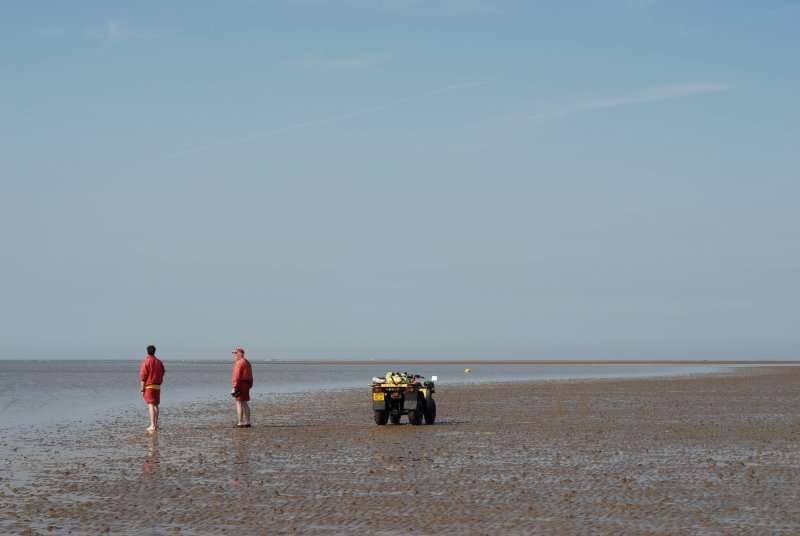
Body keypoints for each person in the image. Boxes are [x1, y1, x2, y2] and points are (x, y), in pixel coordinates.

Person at [140, 345, 166, 432]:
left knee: (150, 404)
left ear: (147, 352)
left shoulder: (146, 362)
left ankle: (152, 425)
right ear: (154, 351)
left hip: (149, 386)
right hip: (157, 386)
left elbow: (143, 376)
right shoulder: (159, 362)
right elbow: (163, 371)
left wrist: (142, 389)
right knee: (156, 405)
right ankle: (156, 424)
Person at [231, 347, 254, 428]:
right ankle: (247, 423)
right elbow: (251, 376)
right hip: (246, 385)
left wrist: (234, 386)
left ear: (240, 353)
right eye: (234, 353)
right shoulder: (247, 362)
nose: (234, 355)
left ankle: (240, 423)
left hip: (240, 384)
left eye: (235, 353)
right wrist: (250, 385)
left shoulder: (239, 363)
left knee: (239, 403)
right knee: (244, 403)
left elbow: (236, 376)